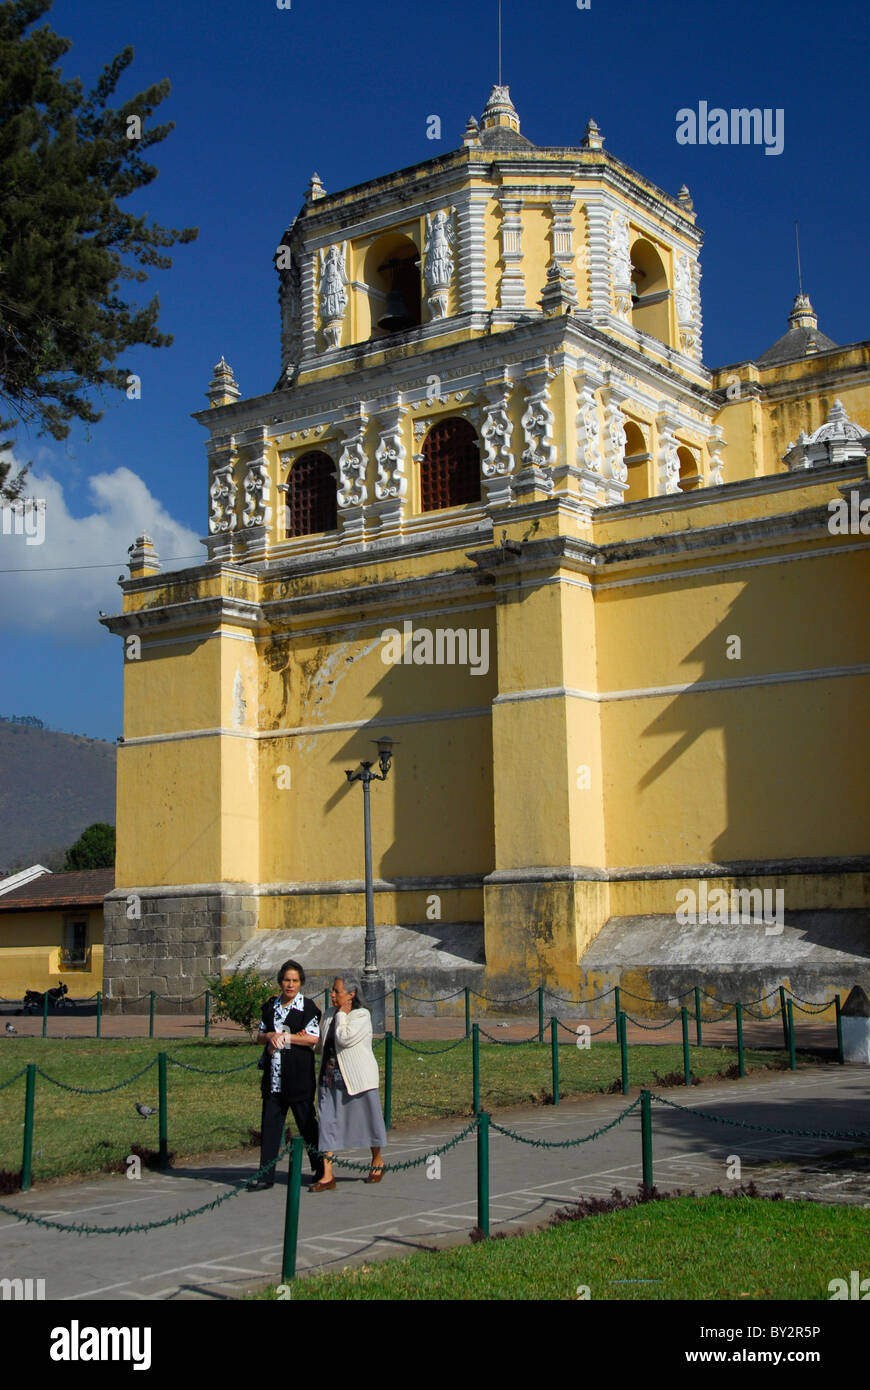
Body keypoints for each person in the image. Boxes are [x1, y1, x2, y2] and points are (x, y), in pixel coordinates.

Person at [247, 959, 323, 1192]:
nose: (290, 985)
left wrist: (288, 1037)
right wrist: (270, 1035)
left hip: (299, 1076)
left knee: (307, 1124)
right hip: (274, 1077)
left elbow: (313, 1038)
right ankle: (265, 1174)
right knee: (270, 1125)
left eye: (295, 981)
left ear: (301, 983)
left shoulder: (307, 1008)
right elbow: (257, 1034)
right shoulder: (271, 1006)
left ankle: (321, 1170)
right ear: (280, 981)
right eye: (287, 980)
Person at [310, 973, 387, 1193]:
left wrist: (342, 1015)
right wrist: (305, 1040)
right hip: (329, 1077)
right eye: (333, 991)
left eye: (337, 991)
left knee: (369, 1120)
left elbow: (344, 1038)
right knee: (326, 1123)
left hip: (357, 1078)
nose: (332, 995)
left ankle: (377, 1160)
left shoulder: (362, 1015)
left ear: (351, 994)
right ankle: (327, 1175)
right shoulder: (330, 1014)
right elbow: (323, 1042)